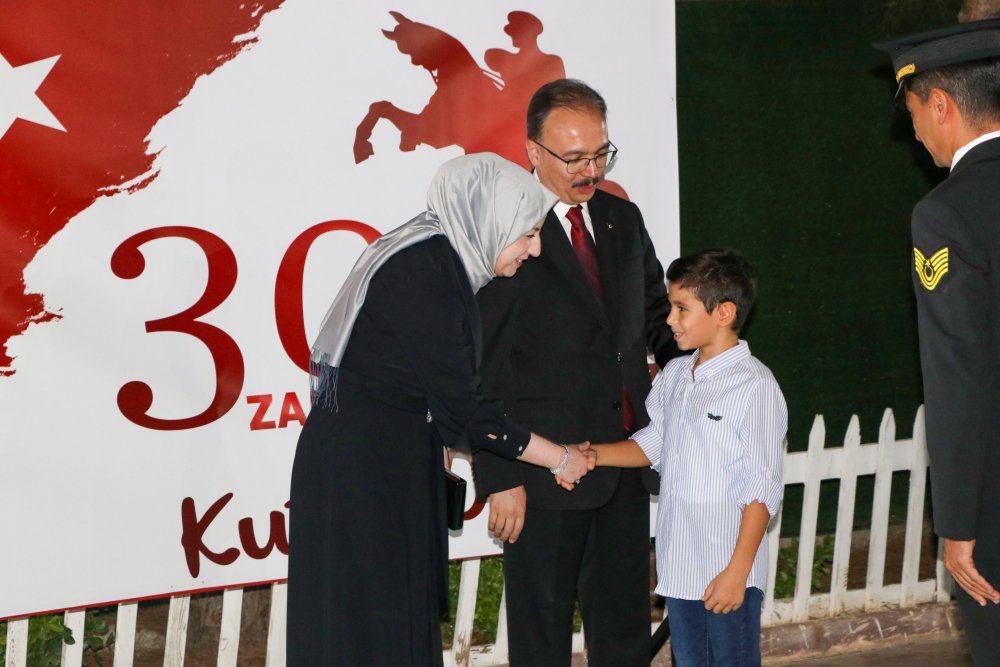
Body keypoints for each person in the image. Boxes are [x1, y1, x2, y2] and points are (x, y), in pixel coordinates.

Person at [287, 152, 594, 666]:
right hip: (363, 473)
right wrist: (561, 459)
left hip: (390, 458)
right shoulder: (425, 274)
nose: (536, 249)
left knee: (393, 617)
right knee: (367, 624)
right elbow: (466, 413)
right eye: (528, 234)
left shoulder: (436, 257)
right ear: (488, 219)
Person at [472, 79, 679, 666]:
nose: (591, 171)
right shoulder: (504, 231)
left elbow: (657, 318)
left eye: (601, 154)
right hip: (542, 474)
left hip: (622, 460)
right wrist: (499, 474)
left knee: (624, 635)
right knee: (541, 642)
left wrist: (703, 371)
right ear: (533, 151)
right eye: (575, 158)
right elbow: (484, 365)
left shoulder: (622, 219)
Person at [589, 248, 786, 667]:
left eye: (682, 308)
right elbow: (654, 442)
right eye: (670, 307)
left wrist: (737, 573)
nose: (669, 320)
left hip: (727, 571)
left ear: (724, 313)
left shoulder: (756, 387)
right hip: (679, 569)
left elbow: (762, 488)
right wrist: (591, 455)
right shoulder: (676, 374)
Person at [875, 19, 1000, 665]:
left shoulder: (946, 213)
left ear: (943, 104)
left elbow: (958, 374)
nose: (916, 131)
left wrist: (957, 523)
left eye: (914, 112)